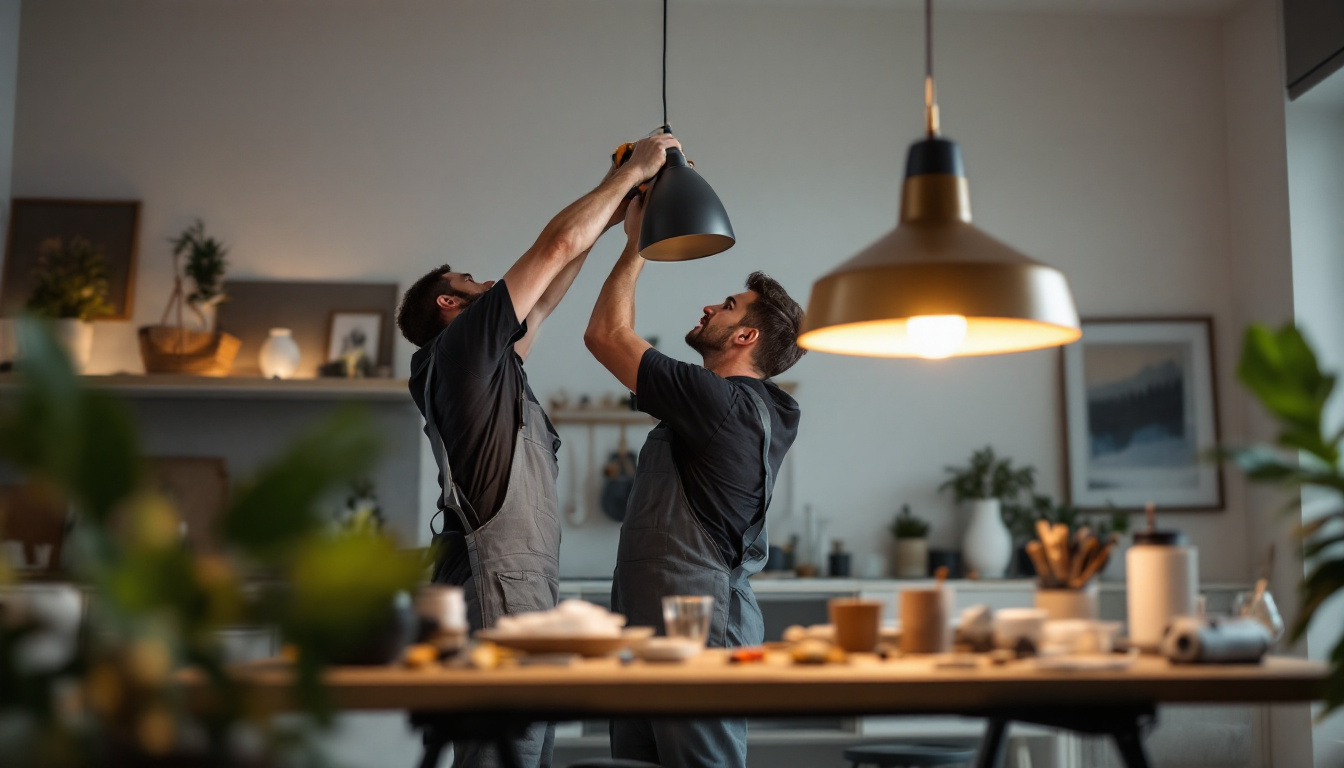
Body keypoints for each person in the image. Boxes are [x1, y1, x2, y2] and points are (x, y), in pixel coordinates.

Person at [397, 132, 679, 768]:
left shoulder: (485, 364)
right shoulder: (462, 349)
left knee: (523, 755)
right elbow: (551, 249)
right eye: (470, 280)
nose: (491, 281)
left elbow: (550, 288)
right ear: (450, 304)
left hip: (517, 584)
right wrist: (634, 167)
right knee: (502, 758)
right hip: (496, 583)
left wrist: (624, 224)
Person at [583, 190, 807, 768]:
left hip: (693, 619)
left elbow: (606, 335)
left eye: (728, 306)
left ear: (745, 337)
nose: (710, 307)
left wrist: (637, 242)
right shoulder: (741, 407)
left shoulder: (719, 401)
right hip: (656, 615)